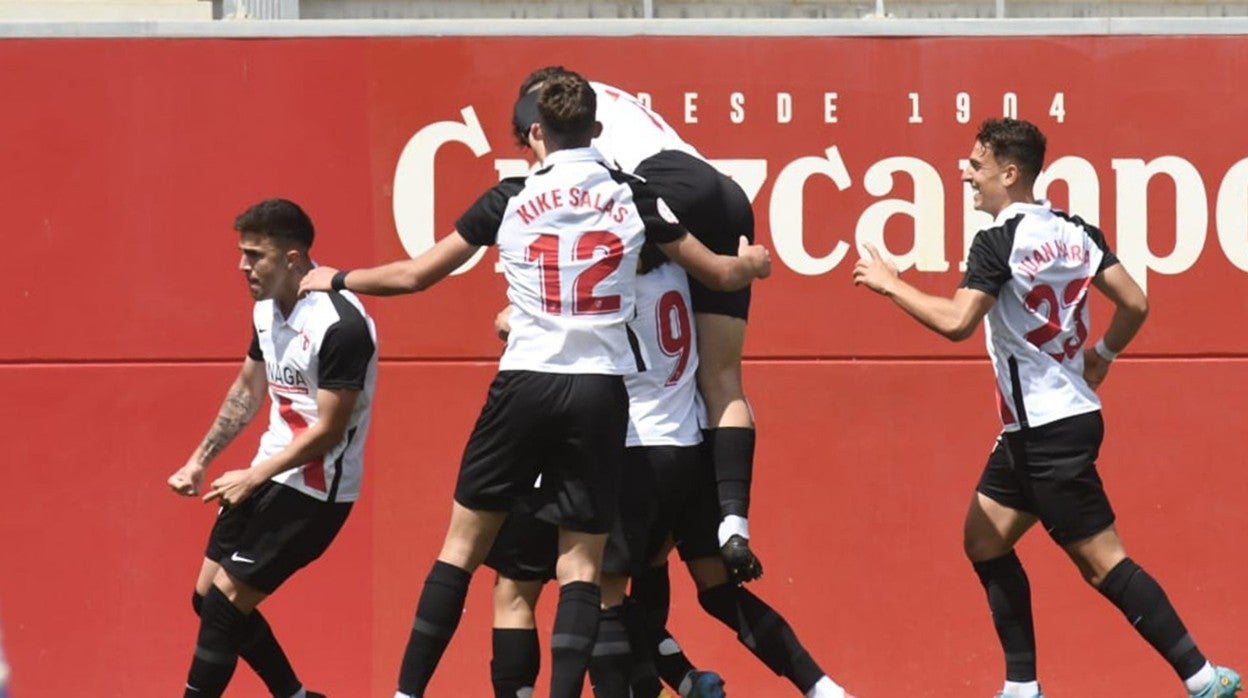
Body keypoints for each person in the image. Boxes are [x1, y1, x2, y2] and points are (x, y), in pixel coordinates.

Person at [299, 70, 770, 698]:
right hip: (599, 395)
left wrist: (337, 278)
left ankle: (406, 693)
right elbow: (719, 269)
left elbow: (413, 277)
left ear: (534, 134)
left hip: (523, 383)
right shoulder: (635, 197)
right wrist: (754, 265)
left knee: (460, 551)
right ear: (598, 131)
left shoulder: (509, 197)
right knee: (581, 567)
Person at [852, 117, 1241, 698]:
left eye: (976, 165)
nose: (965, 174)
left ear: (1010, 174)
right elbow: (1134, 301)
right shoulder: (1074, 228)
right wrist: (1102, 354)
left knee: (1103, 564)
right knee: (983, 540)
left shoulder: (998, 240)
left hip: (1045, 431)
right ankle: (1022, 687)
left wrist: (890, 285)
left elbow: (958, 323)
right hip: (1046, 423)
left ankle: (1203, 678)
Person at [487, 242, 855, 698]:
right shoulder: (681, 276)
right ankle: (821, 688)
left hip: (634, 448)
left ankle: (671, 682)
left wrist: (516, 323)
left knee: (597, 594)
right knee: (714, 589)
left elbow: (541, 333)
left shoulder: (610, 284)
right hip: (691, 446)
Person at [512, 67, 765, 583]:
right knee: (721, 378)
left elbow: (561, 187)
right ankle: (734, 525)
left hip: (666, 186)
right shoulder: (610, 97)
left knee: (578, 290)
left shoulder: (543, 104)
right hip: (725, 194)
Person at [167, 198, 378, 698]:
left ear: (292, 258)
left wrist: (253, 476)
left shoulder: (341, 324)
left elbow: (328, 430)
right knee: (207, 599)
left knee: (224, 604)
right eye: (242, 253)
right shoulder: (266, 310)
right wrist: (200, 460)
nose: (243, 266)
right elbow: (247, 388)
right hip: (268, 472)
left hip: (316, 490)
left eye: (254, 255)